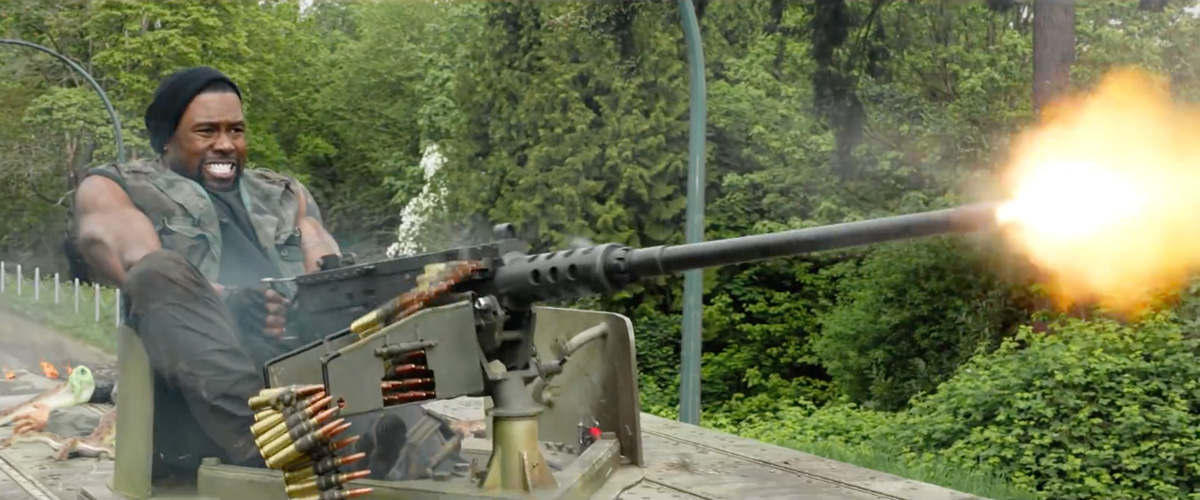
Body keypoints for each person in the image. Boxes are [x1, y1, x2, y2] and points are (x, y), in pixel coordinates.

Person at [69, 66, 342, 483]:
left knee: (356, 285)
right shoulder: (116, 187)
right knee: (158, 273)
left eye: (236, 130)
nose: (226, 144)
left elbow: (326, 267)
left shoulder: (285, 194)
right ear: (166, 138)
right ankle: (265, 440)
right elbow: (138, 262)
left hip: (299, 377)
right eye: (206, 131)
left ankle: (378, 436)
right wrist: (228, 303)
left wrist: (295, 307)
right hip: (194, 405)